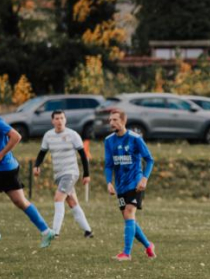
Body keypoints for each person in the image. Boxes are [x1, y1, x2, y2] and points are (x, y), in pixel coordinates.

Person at [0, 93, 55, 248]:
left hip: (2, 169)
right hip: (10, 167)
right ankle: (46, 231)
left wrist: (0, 154)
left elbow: (16, 136)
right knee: (20, 202)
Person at [104, 109, 156, 261]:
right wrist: (109, 182)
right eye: (110, 120)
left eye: (115, 120)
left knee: (129, 213)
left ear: (123, 121)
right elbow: (108, 165)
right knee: (128, 218)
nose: (111, 123)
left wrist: (144, 178)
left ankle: (126, 253)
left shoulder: (135, 138)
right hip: (120, 186)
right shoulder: (109, 140)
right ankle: (148, 245)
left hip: (135, 183)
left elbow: (150, 160)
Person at [34, 110, 93, 239]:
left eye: (62, 118)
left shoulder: (73, 135)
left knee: (58, 198)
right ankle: (88, 231)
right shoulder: (48, 135)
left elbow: (83, 155)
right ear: (52, 121)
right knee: (72, 203)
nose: (59, 121)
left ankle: (55, 232)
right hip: (59, 174)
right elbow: (42, 153)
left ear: (65, 120)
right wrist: (36, 165)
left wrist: (86, 174)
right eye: (56, 118)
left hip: (71, 173)